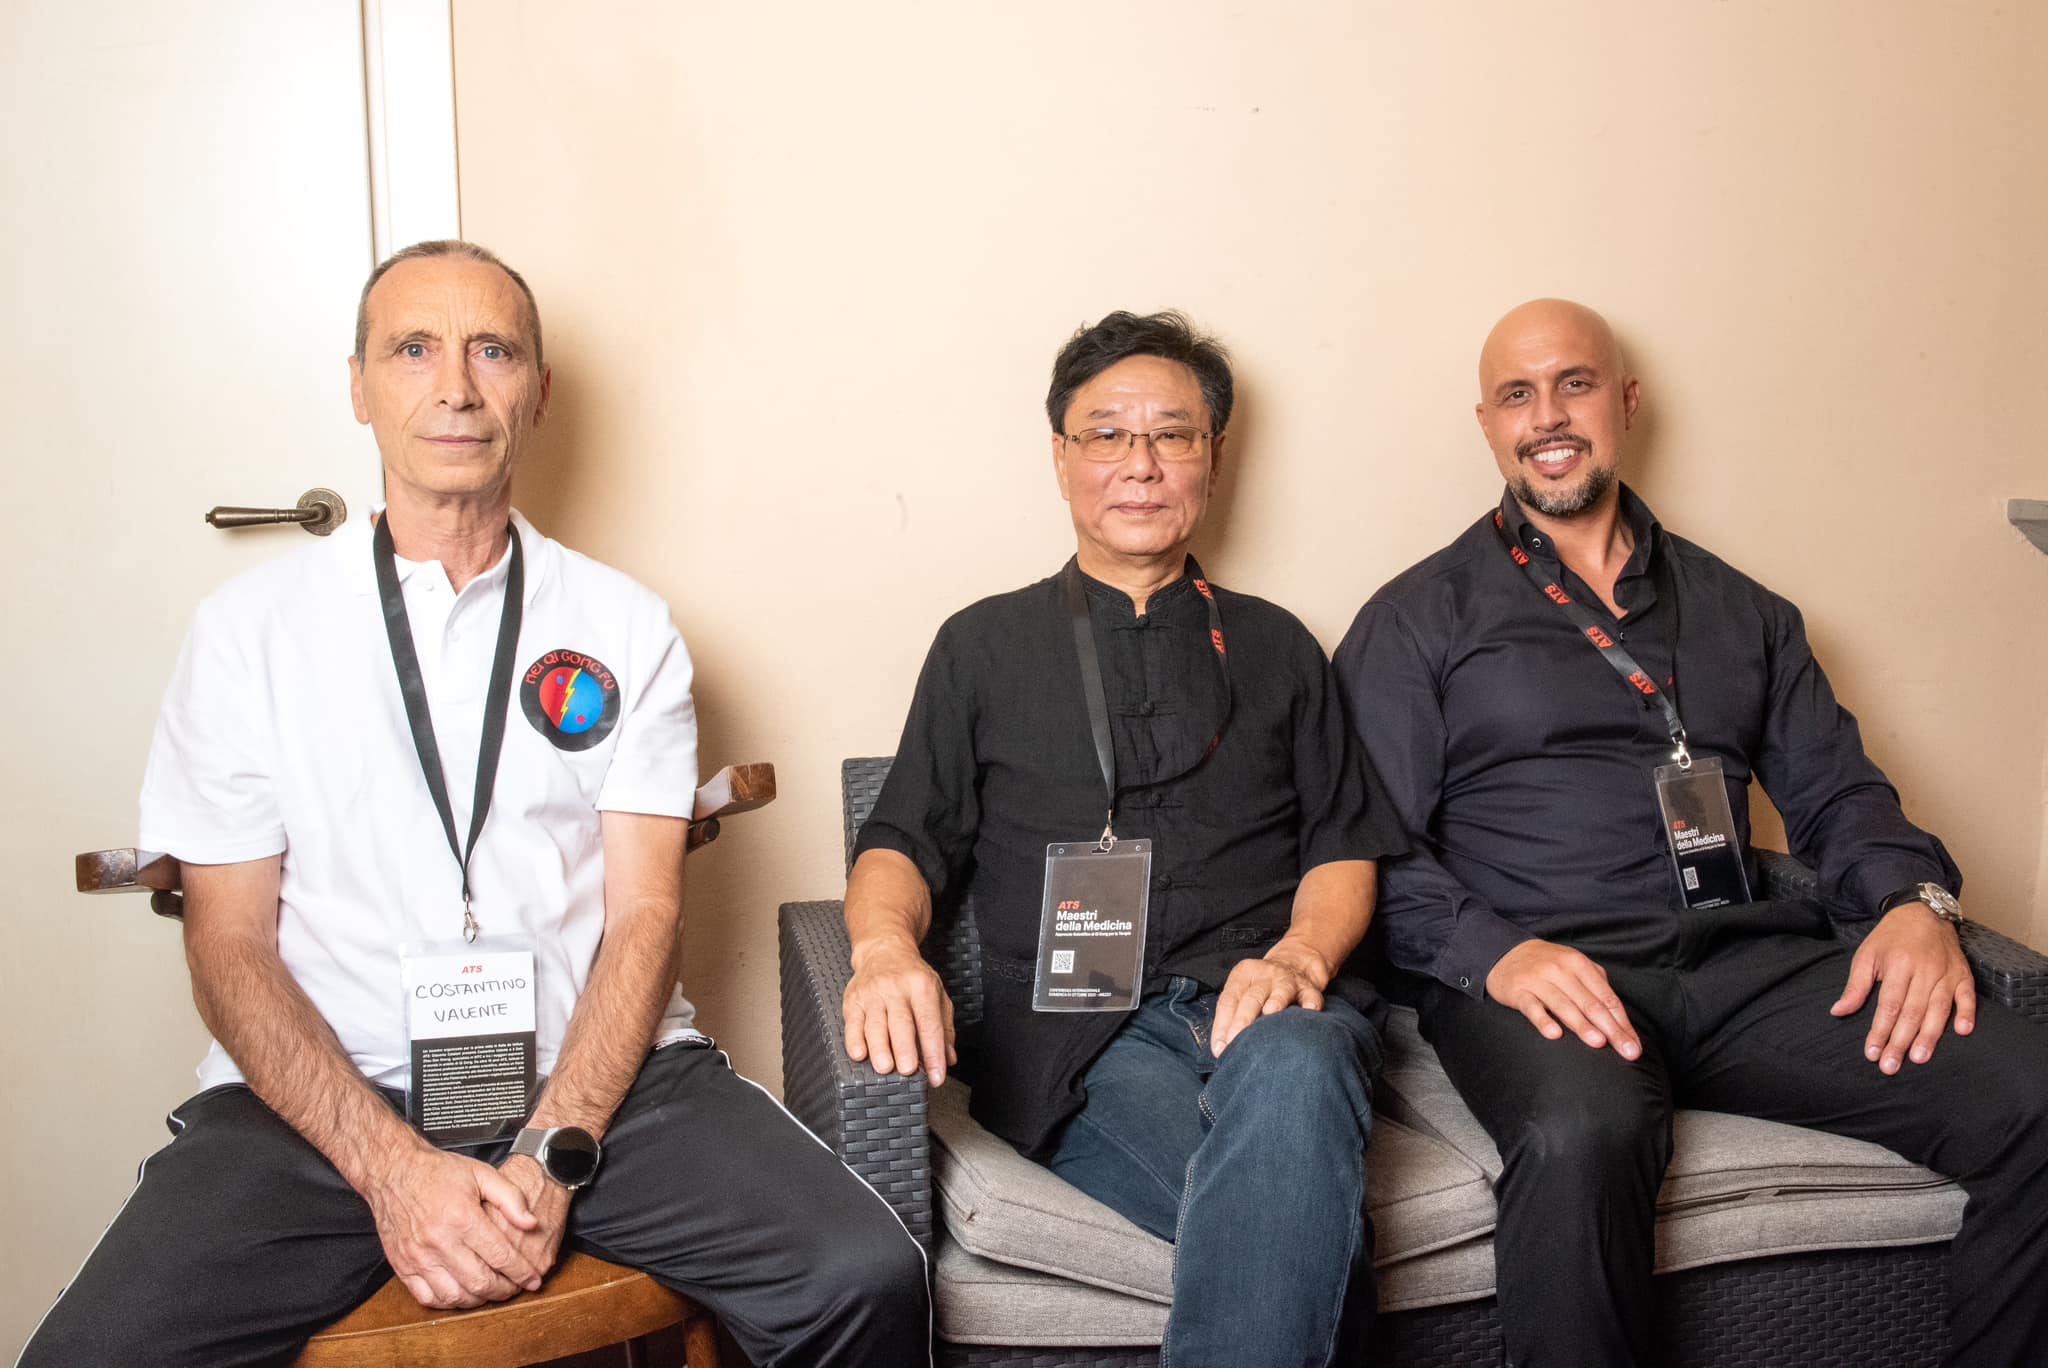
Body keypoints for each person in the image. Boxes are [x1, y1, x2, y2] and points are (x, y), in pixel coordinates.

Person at [21, 241, 929, 1368]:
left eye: (491, 350)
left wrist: (553, 1149)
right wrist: (391, 1170)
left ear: (537, 391)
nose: (454, 385)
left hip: (603, 1082)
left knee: (864, 1274)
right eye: (413, 349)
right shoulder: (247, 634)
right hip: (325, 1098)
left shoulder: (625, 624)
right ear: (359, 387)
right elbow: (229, 944)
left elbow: (646, 914)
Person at [1334, 297, 2048, 1367]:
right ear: (1487, 424)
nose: (1547, 416)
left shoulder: (1745, 611)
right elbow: (1368, 845)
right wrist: (1498, 955)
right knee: (1584, 1130)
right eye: (1517, 395)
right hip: (1547, 971)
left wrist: (1913, 902)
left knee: (2035, 1093)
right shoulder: (1414, 618)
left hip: (1741, 964)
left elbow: (1838, 793)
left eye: (1574, 383)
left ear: (1625, 402)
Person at [842, 310, 1408, 1366]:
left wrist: (1298, 957)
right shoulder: (981, 644)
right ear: (1060, 458)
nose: (1138, 464)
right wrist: (880, 950)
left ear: (1212, 458)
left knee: (1301, 1064)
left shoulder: (1281, 645)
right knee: (1302, 1216)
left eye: (1171, 435)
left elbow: (1343, 845)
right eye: (1105, 435)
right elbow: (903, 838)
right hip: (1079, 1046)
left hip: (1268, 1013)